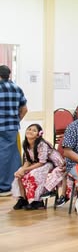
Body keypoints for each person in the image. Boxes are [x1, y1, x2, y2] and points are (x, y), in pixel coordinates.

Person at [11, 124, 63, 210]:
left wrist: (26, 169)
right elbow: (28, 160)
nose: (30, 131)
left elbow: (42, 162)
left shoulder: (41, 144)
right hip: (38, 163)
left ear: (38, 134)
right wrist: (23, 170)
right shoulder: (26, 143)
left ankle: (37, 201)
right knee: (19, 174)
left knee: (33, 174)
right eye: (29, 129)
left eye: (34, 130)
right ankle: (23, 198)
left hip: (51, 163)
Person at [0, 64, 27, 196]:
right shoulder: (17, 88)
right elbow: (24, 109)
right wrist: (16, 120)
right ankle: (14, 183)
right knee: (13, 155)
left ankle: (3, 186)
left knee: (3, 155)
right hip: (12, 127)